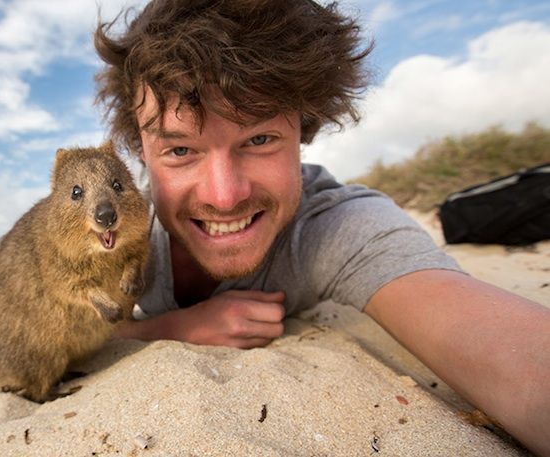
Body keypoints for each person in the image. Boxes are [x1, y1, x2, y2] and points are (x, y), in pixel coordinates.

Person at [93, 0, 550, 454]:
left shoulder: (337, 224)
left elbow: (512, 353)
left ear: (302, 131)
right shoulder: (108, 234)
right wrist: (172, 327)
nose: (224, 196)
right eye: (180, 151)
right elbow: (32, 334)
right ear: (142, 156)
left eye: (259, 139)